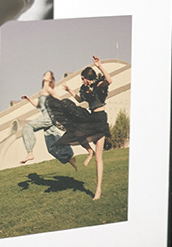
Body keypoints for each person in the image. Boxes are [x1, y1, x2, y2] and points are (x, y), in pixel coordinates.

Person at [47, 56, 114, 201]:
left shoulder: (99, 84)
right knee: (76, 131)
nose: (82, 81)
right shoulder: (85, 89)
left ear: (87, 77)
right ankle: (89, 151)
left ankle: (98, 189)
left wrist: (100, 66)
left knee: (99, 158)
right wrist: (70, 90)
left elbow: (110, 80)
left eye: (83, 79)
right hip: (91, 118)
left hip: (101, 120)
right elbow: (79, 99)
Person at [19, 71, 77, 169]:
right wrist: (29, 99)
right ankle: (70, 158)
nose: (45, 75)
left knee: (27, 126)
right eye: (45, 74)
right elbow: (38, 106)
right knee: (51, 147)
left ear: (50, 79)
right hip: (45, 116)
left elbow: (59, 100)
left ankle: (30, 152)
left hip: (48, 116)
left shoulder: (49, 89)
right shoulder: (41, 91)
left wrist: (67, 109)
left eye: (47, 74)